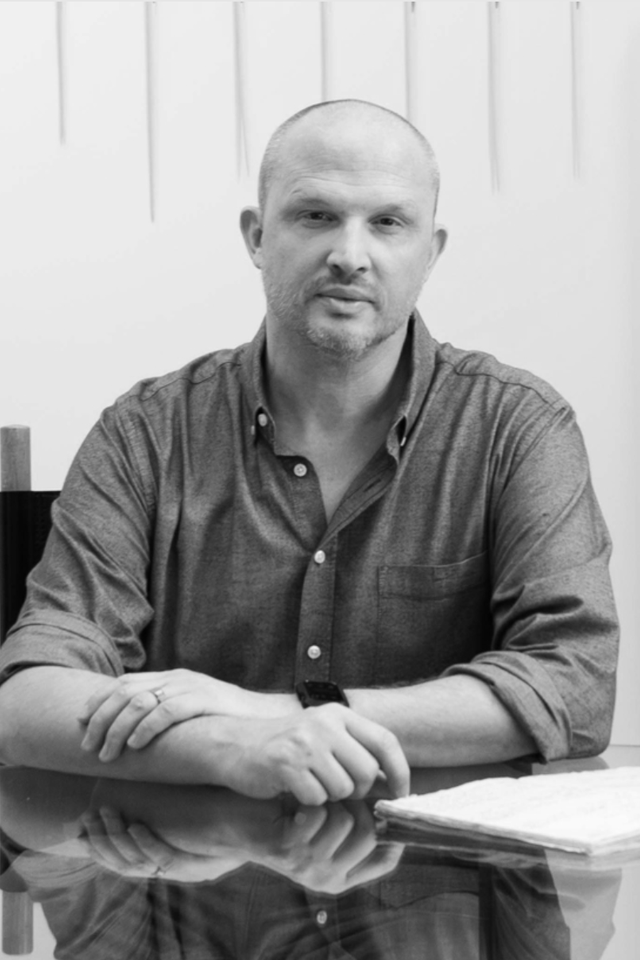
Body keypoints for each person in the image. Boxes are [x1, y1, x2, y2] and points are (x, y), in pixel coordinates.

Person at [0, 100, 619, 805]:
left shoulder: (517, 428)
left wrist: (281, 712)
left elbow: (576, 683)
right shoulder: (145, 434)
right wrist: (230, 746)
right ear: (257, 236)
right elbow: (24, 704)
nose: (349, 255)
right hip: (197, 889)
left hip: (449, 895)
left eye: (387, 222)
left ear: (431, 251)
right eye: (316, 215)